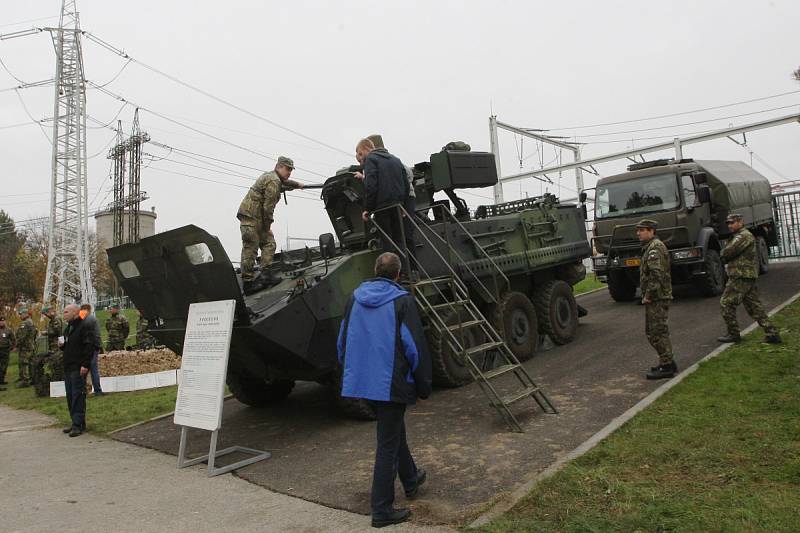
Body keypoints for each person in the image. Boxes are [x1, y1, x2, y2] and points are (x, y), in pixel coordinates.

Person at [337, 252, 432, 528]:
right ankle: (381, 510)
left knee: (393, 431)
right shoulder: (402, 301)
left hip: (364, 382)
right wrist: (423, 386)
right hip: (391, 381)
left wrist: (352, 374)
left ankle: (411, 479)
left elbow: (342, 341)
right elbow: (414, 347)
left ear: (375, 271)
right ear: (398, 275)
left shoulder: (353, 299)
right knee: (387, 444)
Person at [237, 156, 304, 295]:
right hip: (251, 218)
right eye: (287, 169)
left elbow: (285, 183)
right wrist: (268, 227)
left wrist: (297, 185)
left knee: (269, 244)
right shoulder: (273, 181)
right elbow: (268, 208)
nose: (289, 172)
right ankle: (248, 284)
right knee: (250, 249)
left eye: (291, 170)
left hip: (256, 219)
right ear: (279, 166)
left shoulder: (273, 177)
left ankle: (265, 275)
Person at [717, 214, 782, 344]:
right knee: (754, 307)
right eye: (728, 223)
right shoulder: (740, 236)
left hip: (740, 275)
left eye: (732, 223)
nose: (730, 225)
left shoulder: (743, 236)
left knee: (726, 303)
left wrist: (724, 253)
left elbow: (726, 253)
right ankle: (772, 334)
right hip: (745, 275)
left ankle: (733, 334)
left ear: (741, 222)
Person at [357, 139, 412, 271]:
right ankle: (404, 272)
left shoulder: (371, 159)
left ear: (366, 149)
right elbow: (406, 184)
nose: (360, 158)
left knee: (387, 243)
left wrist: (368, 209)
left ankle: (390, 274)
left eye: (359, 154)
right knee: (399, 241)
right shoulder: (395, 160)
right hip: (398, 206)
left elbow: (371, 186)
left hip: (382, 208)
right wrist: (403, 204)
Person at [636, 219, 678, 380]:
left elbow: (656, 275)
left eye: (642, 230)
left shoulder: (654, 249)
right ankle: (667, 362)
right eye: (638, 230)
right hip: (658, 296)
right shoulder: (652, 248)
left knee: (656, 333)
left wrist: (648, 296)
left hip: (657, 297)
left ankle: (667, 366)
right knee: (656, 331)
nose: (638, 233)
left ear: (652, 231)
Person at [59, 304, 93, 437]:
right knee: (70, 395)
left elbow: (88, 347)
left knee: (77, 395)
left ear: (74, 313)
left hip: (78, 367)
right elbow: (69, 346)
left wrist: (85, 364)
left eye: (66, 312)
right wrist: (62, 346)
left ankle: (78, 425)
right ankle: (75, 421)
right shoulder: (68, 328)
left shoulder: (83, 327)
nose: (64, 314)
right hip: (68, 366)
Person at [80, 304, 104, 396]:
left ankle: (83, 390)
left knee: (83, 369)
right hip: (92, 347)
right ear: (89, 310)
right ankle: (97, 390)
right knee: (94, 370)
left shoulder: (79, 318)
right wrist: (98, 346)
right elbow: (97, 335)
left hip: (82, 347)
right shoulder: (92, 319)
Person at [15, 307, 38, 388]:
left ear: (25, 314)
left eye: (21, 314)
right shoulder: (32, 322)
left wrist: (17, 345)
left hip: (25, 347)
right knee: (31, 363)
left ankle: (25, 380)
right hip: (31, 345)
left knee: (24, 363)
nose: (20, 316)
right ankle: (32, 378)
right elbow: (35, 333)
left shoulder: (25, 323)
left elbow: (22, 336)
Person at [0, 316, 16, 391]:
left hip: (5, 350)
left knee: (4, 366)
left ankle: (2, 380)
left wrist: (12, 347)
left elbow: (13, 339)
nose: (2, 322)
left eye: (3, 321)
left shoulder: (8, 330)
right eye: (0, 321)